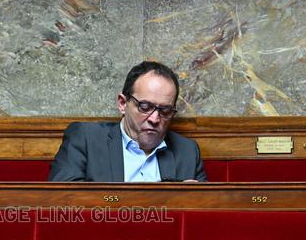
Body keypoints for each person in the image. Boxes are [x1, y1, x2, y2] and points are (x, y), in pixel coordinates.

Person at [48, 61, 206, 182]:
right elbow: (62, 200)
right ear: (123, 104)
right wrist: (118, 200)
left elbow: (207, 213)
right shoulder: (86, 139)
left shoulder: (187, 152)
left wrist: (191, 199)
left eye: (165, 111)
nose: (155, 119)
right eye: (145, 107)